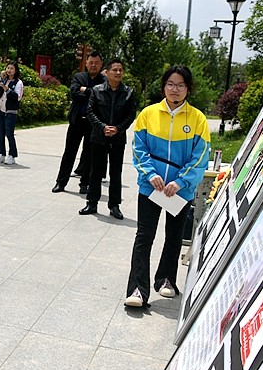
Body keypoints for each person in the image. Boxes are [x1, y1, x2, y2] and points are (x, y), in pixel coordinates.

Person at [125, 66, 210, 308]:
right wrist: (150, 174)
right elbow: (139, 148)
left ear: (188, 89)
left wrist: (181, 181)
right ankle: (137, 290)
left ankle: (167, 280)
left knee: (174, 237)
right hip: (151, 187)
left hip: (179, 191)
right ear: (163, 86)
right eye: (171, 84)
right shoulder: (148, 114)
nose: (175, 89)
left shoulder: (198, 119)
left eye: (181, 85)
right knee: (144, 236)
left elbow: (200, 156)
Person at [79, 59, 136, 219]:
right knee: (95, 171)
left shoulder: (128, 92)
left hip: (118, 138)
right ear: (107, 72)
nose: (118, 73)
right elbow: (90, 112)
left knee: (116, 172)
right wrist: (102, 127)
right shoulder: (96, 90)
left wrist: (118, 128)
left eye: (120, 70)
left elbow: (131, 114)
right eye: (115, 70)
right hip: (99, 137)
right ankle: (92, 203)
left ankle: (114, 205)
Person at [52, 52, 105, 193]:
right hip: (76, 121)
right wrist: (92, 93)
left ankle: (84, 184)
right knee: (69, 153)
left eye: (96, 63)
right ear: (86, 63)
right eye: (91, 62)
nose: (93, 65)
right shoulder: (78, 77)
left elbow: (101, 98)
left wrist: (85, 90)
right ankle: (61, 183)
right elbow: (74, 93)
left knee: (89, 155)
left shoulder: (104, 81)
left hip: (94, 123)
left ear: (101, 64)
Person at [0, 60, 23, 165]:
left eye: (11, 68)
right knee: (0, 134)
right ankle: (1, 154)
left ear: (16, 70)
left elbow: (17, 97)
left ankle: (12, 155)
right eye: (8, 68)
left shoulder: (18, 83)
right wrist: (0, 79)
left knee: (9, 134)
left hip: (10, 111)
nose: (9, 70)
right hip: (0, 109)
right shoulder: (3, 80)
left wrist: (7, 89)